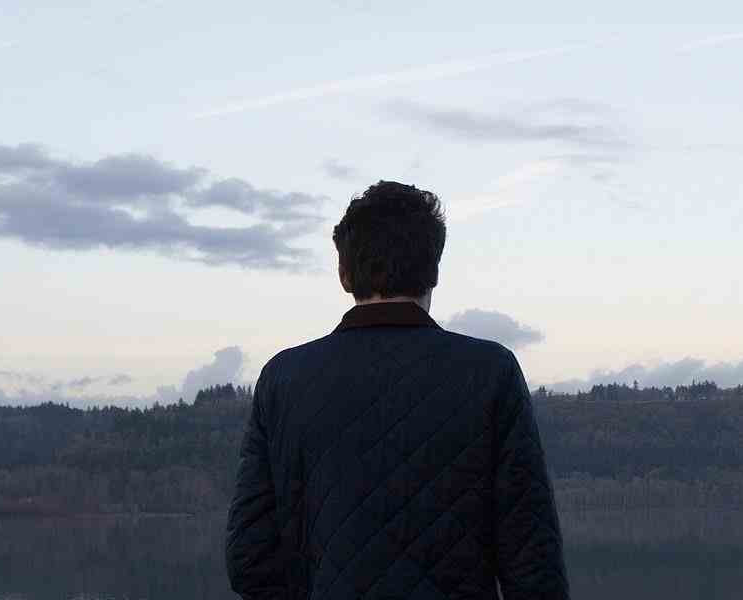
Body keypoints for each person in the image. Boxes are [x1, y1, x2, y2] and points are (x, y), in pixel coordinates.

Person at [225, 180, 570, 599]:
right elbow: (534, 564)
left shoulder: (283, 379)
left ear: (344, 275)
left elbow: (250, 558)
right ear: (434, 271)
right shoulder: (491, 372)